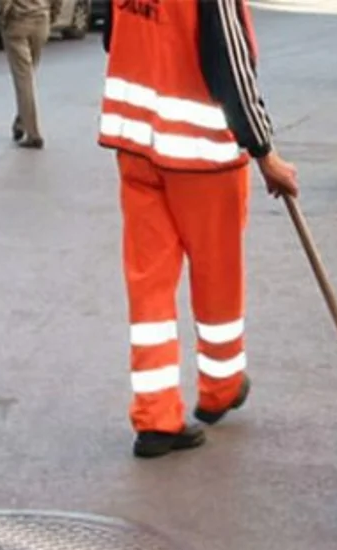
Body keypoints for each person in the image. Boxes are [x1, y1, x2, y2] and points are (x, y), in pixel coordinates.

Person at [99, 0, 299, 459]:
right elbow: (230, 62)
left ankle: (155, 418)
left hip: (135, 143)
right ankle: (220, 386)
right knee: (217, 279)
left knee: (148, 283)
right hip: (201, 157)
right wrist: (265, 152)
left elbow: (114, 37)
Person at [0, 0, 60, 149]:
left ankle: (33, 133)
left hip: (18, 21)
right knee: (28, 75)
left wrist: (2, 19)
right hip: (41, 21)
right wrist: (52, 15)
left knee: (23, 79)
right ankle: (22, 121)